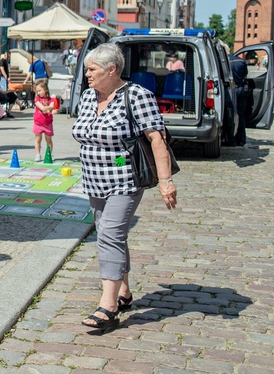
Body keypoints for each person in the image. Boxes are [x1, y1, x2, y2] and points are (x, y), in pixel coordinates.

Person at [71, 43, 177, 333]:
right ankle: (124, 291)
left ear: (111, 70)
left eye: (92, 69)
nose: (87, 74)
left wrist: (166, 181)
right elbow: (89, 136)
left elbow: (156, 138)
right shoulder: (87, 96)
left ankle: (108, 306)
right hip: (94, 180)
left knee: (109, 234)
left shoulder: (137, 96)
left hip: (125, 180)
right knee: (111, 233)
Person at [230, 53, 252, 146]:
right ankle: (241, 139)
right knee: (241, 115)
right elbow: (245, 75)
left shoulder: (225, 61)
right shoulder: (241, 61)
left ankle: (230, 139)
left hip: (230, 90)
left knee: (229, 115)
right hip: (241, 89)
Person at [32, 80, 55, 161]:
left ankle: (50, 153)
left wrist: (48, 108)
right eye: (37, 91)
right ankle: (37, 154)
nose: (38, 93)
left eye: (40, 90)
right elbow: (42, 107)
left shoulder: (51, 99)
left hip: (47, 123)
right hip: (38, 122)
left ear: (45, 89)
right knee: (38, 139)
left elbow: (52, 106)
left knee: (48, 139)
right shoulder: (37, 99)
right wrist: (47, 108)